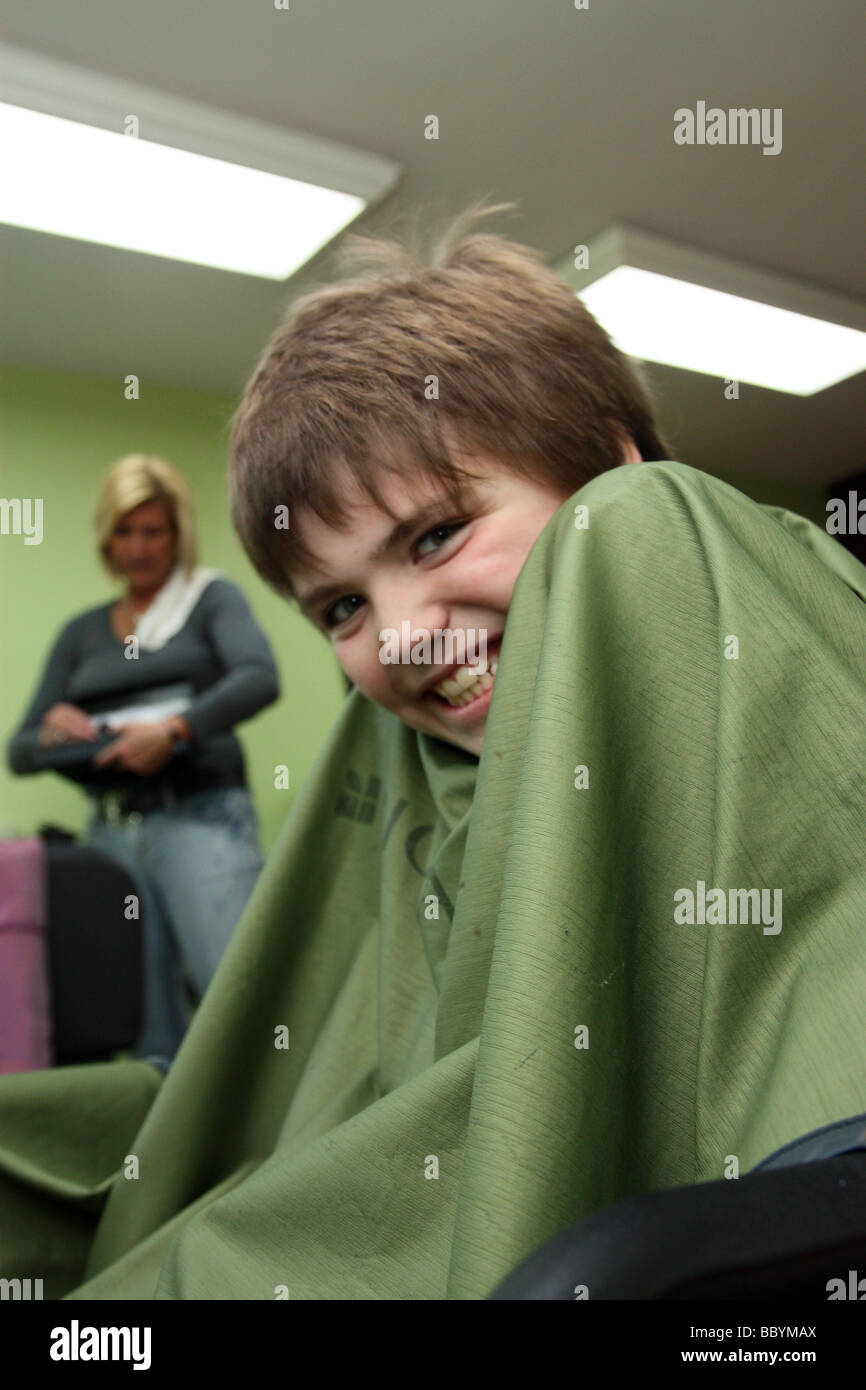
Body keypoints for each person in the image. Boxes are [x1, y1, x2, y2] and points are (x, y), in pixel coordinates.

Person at [1, 202, 865, 1301]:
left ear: (605, 459)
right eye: (341, 609)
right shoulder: (404, 761)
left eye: (435, 534)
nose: (402, 636)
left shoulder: (659, 534)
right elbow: (292, 1086)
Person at [6, 454, 280, 1068]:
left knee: (235, 1000)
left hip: (202, 822)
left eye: (153, 531)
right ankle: (164, 1157)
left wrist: (177, 730)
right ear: (107, 539)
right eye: (124, 532)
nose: (138, 546)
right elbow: (19, 751)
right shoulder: (82, 633)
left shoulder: (211, 600)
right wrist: (53, 731)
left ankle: (274, 1155)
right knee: (144, 1022)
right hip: (113, 839)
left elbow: (259, 678)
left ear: (177, 533)